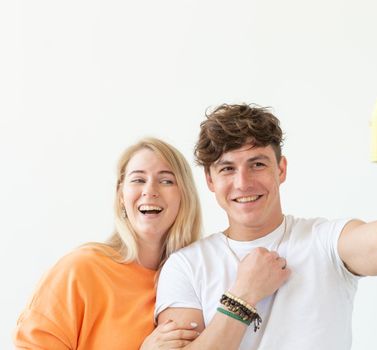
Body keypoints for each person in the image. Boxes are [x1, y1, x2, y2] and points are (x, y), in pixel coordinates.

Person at [154, 97, 377, 349]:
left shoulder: (325, 241)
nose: (243, 183)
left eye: (257, 164)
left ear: (281, 170)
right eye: (227, 169)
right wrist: (244, 294)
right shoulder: (186, 266)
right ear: (210, 180)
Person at [14, 137, 285, 349]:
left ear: (184, 196)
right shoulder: (81, 269)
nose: (150, 190)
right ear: (121, 195)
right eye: (138, 179)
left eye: (166, 180)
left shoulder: (192, 274)